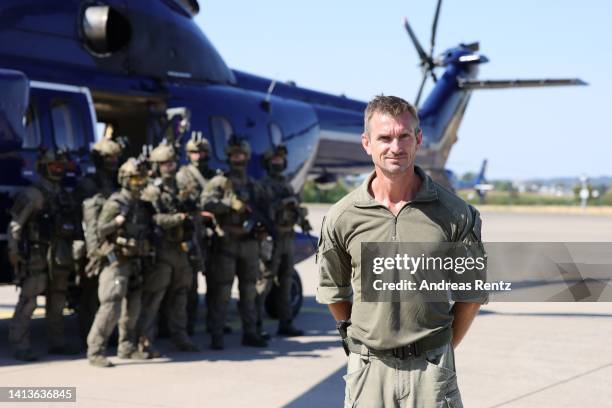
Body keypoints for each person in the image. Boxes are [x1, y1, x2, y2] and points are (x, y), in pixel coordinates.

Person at [316, 95, 487, 407]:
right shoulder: (342, 217)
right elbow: (333, 291)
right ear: (366, 143)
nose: (395, 147)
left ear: (418, 139)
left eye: (404, 136)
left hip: (432, 372)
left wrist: (441, 349)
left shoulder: (456, 214)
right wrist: (359, 343)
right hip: (368, 370)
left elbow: (471, 295)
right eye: (385, 137)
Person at [7, 149, 81, 361]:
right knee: (30, 299)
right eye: (54, 166)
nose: (58, 170)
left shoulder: (63, 195)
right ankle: (20, 344)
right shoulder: (32, 194)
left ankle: (57, 342)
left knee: (57, 298)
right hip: (38, 254)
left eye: (60, 167)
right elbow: (15, 225)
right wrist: (13, 250)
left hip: (60, 255)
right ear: (43, 168)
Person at [201, 138, 269, 349]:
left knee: (249, 292)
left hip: (249, 245)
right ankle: (217, 335)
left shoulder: (254, 184)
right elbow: (206, 204)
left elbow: (265, 212)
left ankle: (250, 333)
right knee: (222, 292)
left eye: (240, 155)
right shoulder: (220, 182)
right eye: (233, 156)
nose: (237, 159)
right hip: (227, 243)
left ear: (247, 158)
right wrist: (228, 204)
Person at [86, 158, 153, 367]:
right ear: (125, 180)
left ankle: (127, 347)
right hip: (116, 261)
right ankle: (96, 351)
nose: (140, 182)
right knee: (111, 306)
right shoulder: (116, 203)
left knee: (133, 307)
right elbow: (100, 229)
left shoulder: (139, 204)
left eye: (142, 178)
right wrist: (116, 222)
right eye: (135, 178)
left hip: (135, 261)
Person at [138, 142, 200, 355]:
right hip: (162, 250)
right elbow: (152, 219)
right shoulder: (151, 191)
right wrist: (177, 219)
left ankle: (180, 337)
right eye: (165, 164)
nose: (170, 167)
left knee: (180, 295)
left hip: (181, 250)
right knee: (154, 297)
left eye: (172, 163)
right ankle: (145, 339)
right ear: (156, 166)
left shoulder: (181, 188)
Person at [256, 144, 311, 337]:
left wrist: (301, 216)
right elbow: (262, 211)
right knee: (266, 280)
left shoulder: (286, 184)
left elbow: (295, 206)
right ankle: (256, 326)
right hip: (272, 237)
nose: (277, 163)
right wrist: (281, 204)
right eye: (274, 160)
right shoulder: (262, 185)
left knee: (286, 281)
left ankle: (285, 323)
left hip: (288, 236)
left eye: (280, 160)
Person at [74, 137, 123, 345]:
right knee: (91, 293)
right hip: (93, 244)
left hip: (111, 242)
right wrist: (94, 252)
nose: (112, 161)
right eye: (108, 157)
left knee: (107, 292)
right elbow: (90, 222)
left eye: (115, 157)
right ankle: (90, 335)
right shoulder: (89, 184)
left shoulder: (115, 181)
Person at [176, 133, 216, 335]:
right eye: (193, 152)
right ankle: (188, 325)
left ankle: (214, 323)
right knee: (189, 285)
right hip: (193, 234)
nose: (197, 156)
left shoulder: (214, 175)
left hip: (212, 236)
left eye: (200, 152)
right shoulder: (183, 174)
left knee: (216, 283)